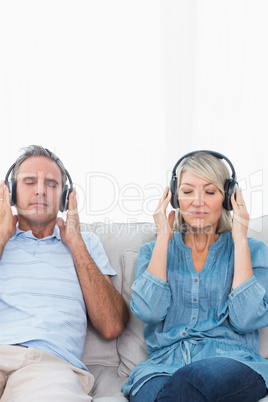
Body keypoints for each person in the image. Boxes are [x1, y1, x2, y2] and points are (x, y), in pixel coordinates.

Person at [122, 151, 268, 402]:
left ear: (227, 198)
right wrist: (163, 239)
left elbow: (246, 320)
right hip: (163, 365)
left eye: (210, 192)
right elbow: (149, 312)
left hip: (231, 361)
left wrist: (240, 238)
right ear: (175, 196)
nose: (197, 202)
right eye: (188, 191)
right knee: (162, 391)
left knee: (188, 381)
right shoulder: (153, 250)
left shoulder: (252, 250)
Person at [0, 145, 129, 401]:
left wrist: (76, 244)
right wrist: (2, 236)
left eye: (51, 183)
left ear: (64, 196)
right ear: (11, 193)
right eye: (29, 182)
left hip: (47, 364)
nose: (40, 190)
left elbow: (111, 325)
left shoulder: (86, 243)